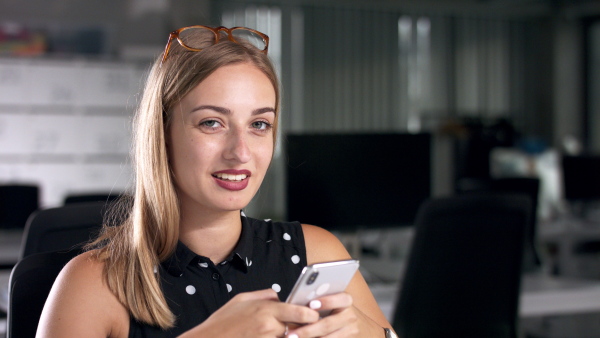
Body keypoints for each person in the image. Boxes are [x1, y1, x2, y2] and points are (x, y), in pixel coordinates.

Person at [37, 25, 396, 338]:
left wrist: (370, 333)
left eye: (259, 124)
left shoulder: (316, 253)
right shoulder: (93, 284)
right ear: (161, 134)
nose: (241, 152)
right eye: (212, 122)